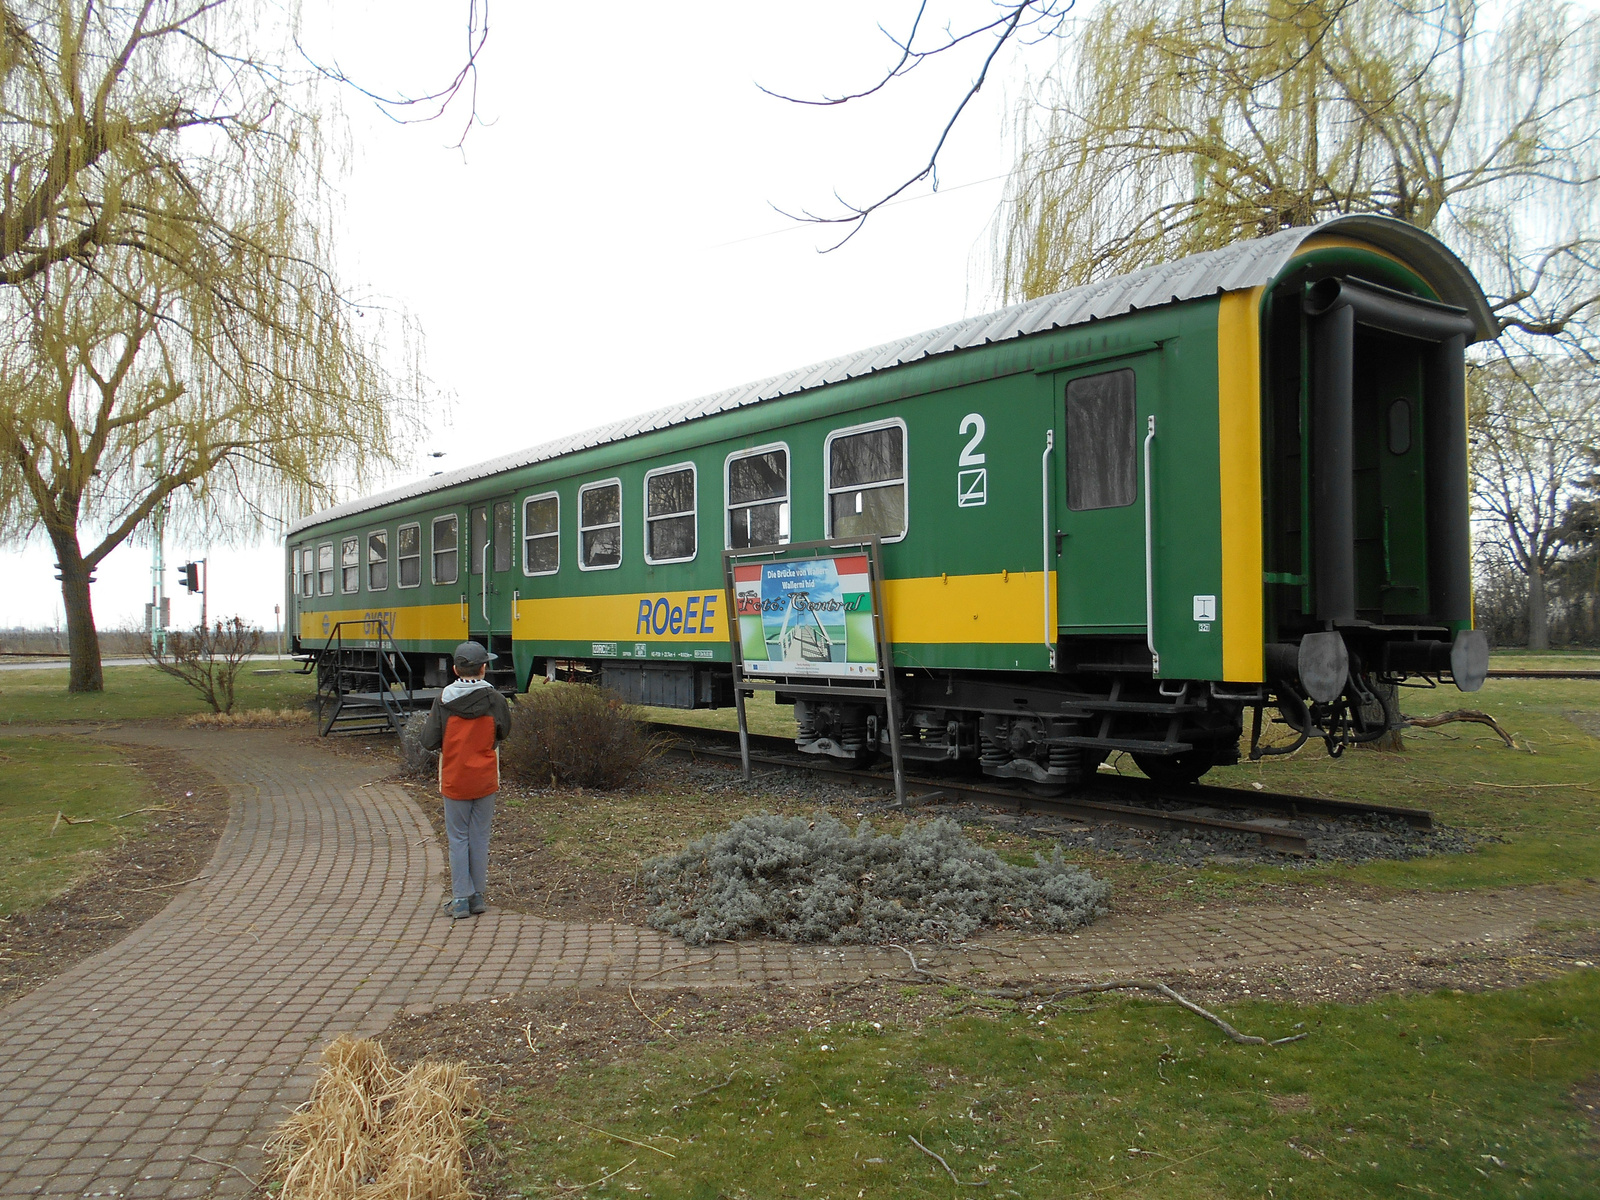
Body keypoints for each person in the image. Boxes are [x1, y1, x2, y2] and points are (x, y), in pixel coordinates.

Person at [420, 641, 511, 919]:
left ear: (456, 669)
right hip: (485, 779)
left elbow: (428, 741)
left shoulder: (443, 701)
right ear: (484, 668)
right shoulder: (496, 700)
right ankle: (478, 896)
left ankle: (460, 898)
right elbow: (503, 732)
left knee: (458, 838)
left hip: (455, 779)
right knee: (480, 836)